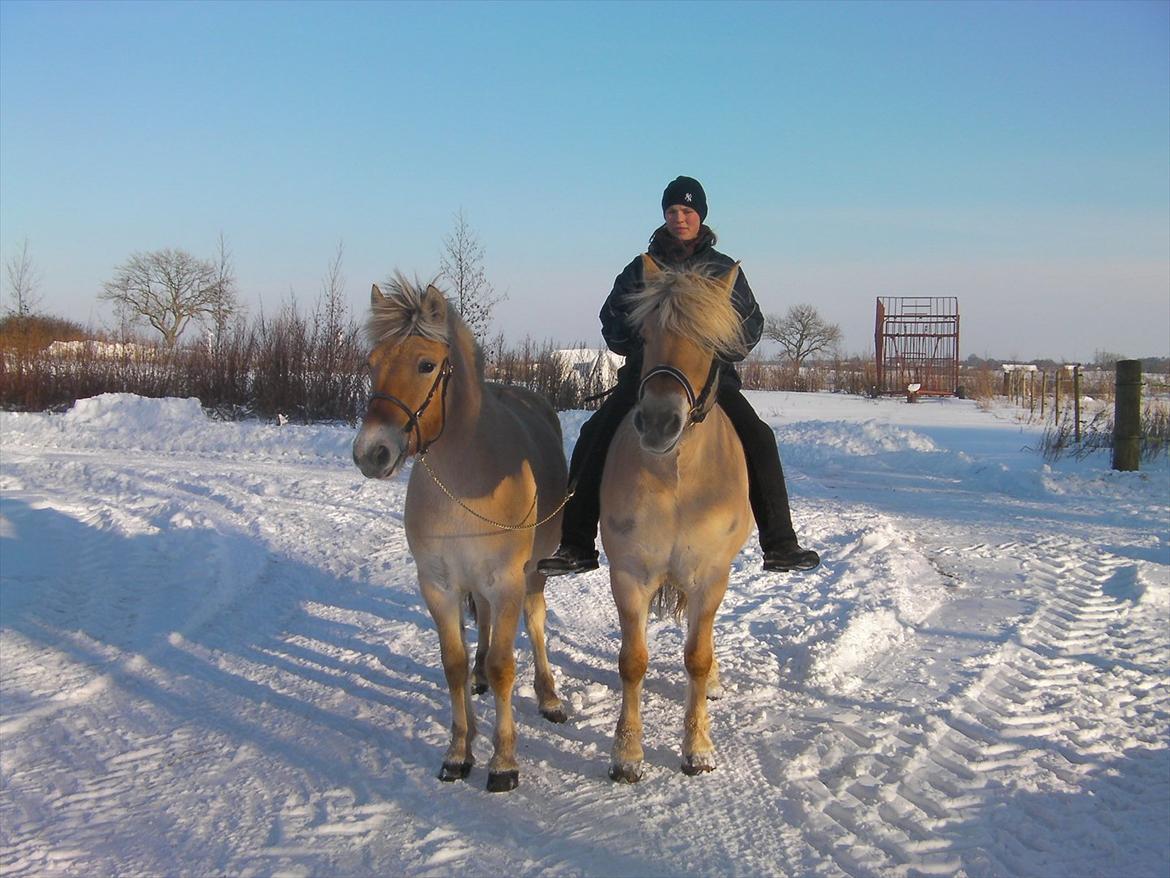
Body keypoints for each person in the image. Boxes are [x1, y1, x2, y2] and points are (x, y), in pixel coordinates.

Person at [538, 175, 820, 577]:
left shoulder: (723, 271)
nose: (679, 218)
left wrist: (715, 347)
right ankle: (577, 544)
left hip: (710, 383)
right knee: (593, 433)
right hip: (644, 378)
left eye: (687, 211)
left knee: (759, 435)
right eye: (672, 211)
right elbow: (611, 319)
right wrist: (642, 336)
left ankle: (780, 543)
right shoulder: (641, 269)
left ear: (700, 215)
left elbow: (750, 324)